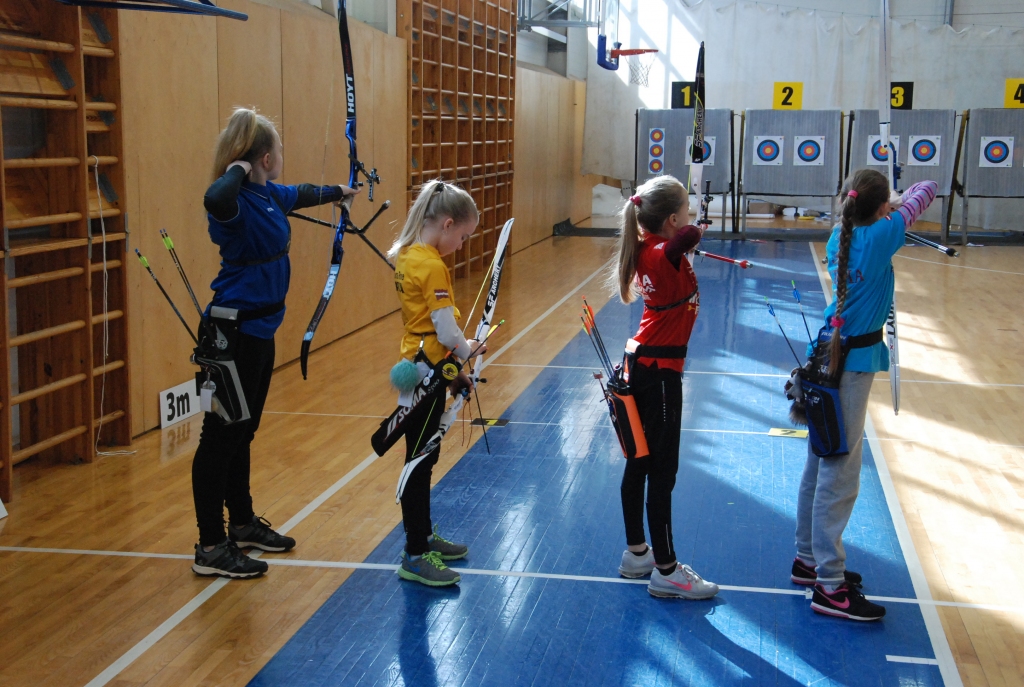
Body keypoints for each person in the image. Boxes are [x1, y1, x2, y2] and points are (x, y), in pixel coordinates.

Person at [191, 108, 358, 578]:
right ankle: (209, 545)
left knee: (242, 431)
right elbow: (214, 197)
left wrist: (338, 192)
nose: (282, 157)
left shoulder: (266, 195)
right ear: (265, 157)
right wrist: (236, 168)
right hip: (231, 334)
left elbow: (300, 194)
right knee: (219, 438)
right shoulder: (236, 201)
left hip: (259, 332)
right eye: (278, 151)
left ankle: (241, 522)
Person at [794, 169, 937, 620]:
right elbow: (928, 191)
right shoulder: (882, 235)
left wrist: (887, 203)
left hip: (827, 355)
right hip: (850, 368)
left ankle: (808, 560)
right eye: (888, 204)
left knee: (821, 459)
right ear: (880, 208)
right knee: (841, 472)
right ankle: (830, 586)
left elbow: (903, 205)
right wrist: (900, 202)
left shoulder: (844, 232)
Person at [610, 175, 719, 600]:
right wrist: (694, 231)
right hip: (657, 372)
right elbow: (682, 240)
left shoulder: (647, 249)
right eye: (685, 212)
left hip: (642, 364)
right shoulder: (661, 251)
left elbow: (678, 242)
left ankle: (638, 553)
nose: (689, 221)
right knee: (661, 469)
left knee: (640, 461)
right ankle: (667, 570)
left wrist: (687, 233)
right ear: (672, 219)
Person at [388, 179, 485, 587]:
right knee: (420, 460)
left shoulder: (410, 256)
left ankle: (424, 536)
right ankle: (414, 553)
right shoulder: (430, 264)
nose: (461, 245)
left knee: (424, 457)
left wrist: (458, 368)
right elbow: (445, 332)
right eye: (462, 236)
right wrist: (468, 349)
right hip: (426, 369)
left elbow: (432, 327)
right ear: (446, 224)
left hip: (421, 365)